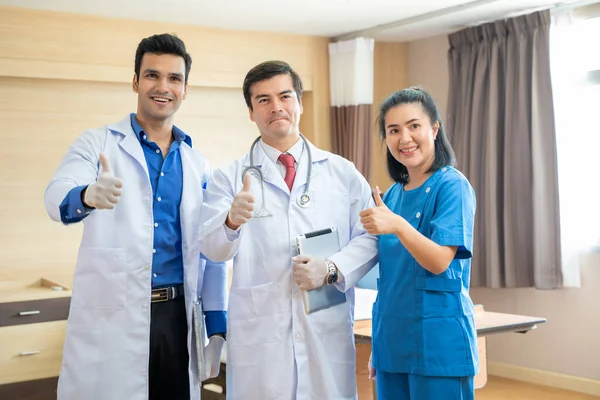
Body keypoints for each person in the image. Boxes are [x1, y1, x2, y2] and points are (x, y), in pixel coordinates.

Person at [44, 33, 227, 400]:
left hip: (177, 317)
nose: (163, 87)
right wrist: (86, 195)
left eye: (174, 78)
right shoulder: (97, 143)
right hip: (115, 315)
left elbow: (211, 250)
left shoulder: (197, 163)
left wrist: (217, 323)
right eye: (152, 75)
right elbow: (55, 196)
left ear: (185, 88)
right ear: (135, 81)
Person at [198, 60, 378, 400]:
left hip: (324, 329)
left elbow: (371, 237)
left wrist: (331, 268)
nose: (276, 107)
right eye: (263, 100)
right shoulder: (228, 178)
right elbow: (211, 251)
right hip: (262, 337)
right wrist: (230, 222)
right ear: (251, 112)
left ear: (300, 102)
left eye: (285, 96)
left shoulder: (343, 173)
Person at [360, 87, 479, 400]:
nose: (405, 138)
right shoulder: (394, 194)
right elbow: (391, 280)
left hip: (439, 344)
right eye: (394, 130)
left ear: (434, 129)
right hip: (392, 342)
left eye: (414, 126)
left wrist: (397, 225)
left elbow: (440, 261)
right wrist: (379, 342)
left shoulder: (452, 186)